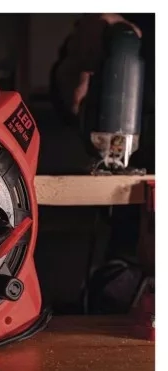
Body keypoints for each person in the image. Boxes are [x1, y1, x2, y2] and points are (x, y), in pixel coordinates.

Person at [50, 13, 155, 313]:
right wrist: (79, 60)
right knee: (113, 296)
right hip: (128, 246)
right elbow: (69, 99)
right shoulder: (121, 23)